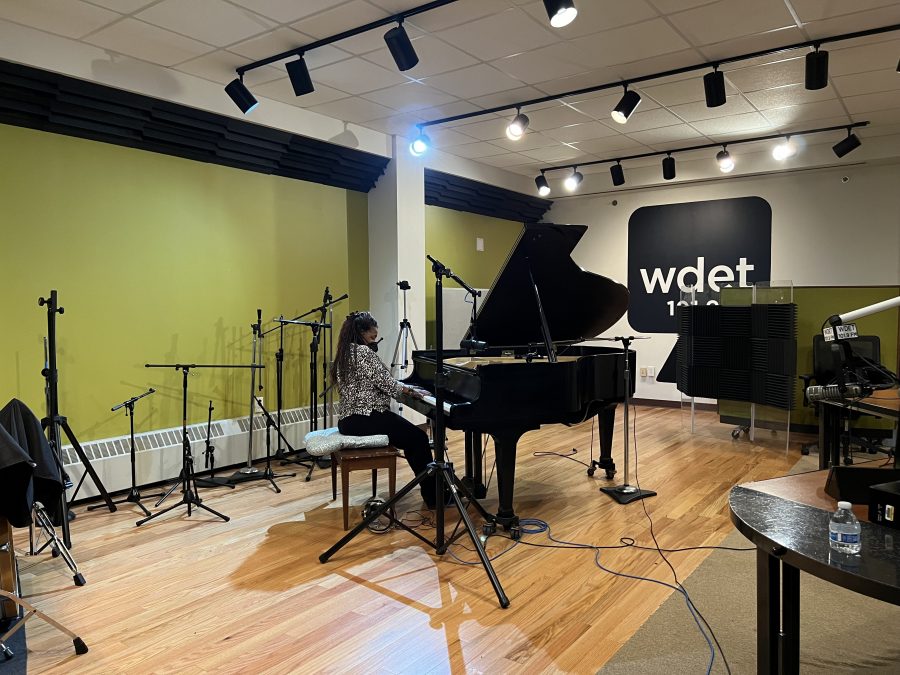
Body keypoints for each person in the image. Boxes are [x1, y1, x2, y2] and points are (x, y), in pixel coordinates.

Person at [332, 311, 442, 508]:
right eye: (372, 336)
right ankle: (434, 497)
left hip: (349, 420)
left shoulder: (345, 352)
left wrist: (405, 388)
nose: (374, 340)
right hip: (365, 416)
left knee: (412, 439)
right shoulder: (362, 352)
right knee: (418, 439)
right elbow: (386, 383)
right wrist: (411, 390)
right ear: (361, 332)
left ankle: (433, 490)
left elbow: (379, 382)